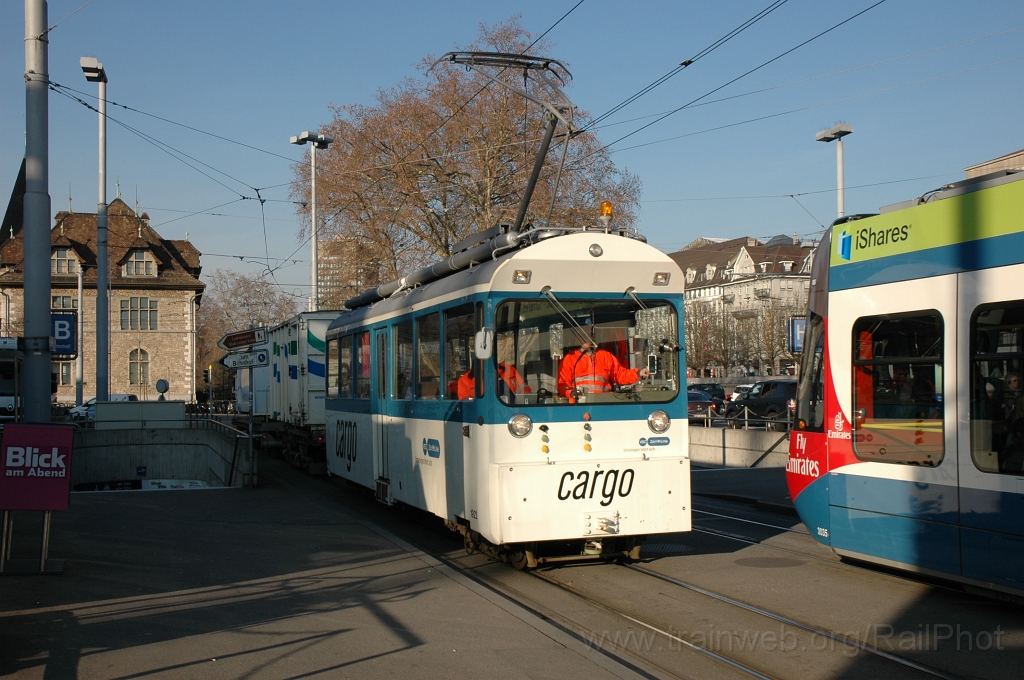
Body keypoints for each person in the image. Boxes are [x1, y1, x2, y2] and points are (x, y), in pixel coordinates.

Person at [557, 336, 650, 401]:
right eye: (581, 336)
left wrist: (638, 373)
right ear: (577, 339)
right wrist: (571, 393)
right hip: (581, 405)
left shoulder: (605, 356)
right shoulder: (569, 359)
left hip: (605, 403)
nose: (585, 339)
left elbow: (620, 374)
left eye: (587, 335)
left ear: (592, 337)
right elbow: (562, 384)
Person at [456, 365, 531, 400]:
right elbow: (465, 404)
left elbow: (524, 388)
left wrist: (527, 402)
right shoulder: (465, 380)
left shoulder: (508, 369)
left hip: (513, 410)